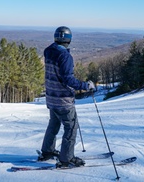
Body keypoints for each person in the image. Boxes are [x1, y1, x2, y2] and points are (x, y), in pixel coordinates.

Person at [39, 26, 95, 168]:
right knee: (71, 128)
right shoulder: (65, 56)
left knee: (53, 125)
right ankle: (66, 159)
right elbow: (68, 79)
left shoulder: (48, 51)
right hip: (63, 100)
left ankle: (47, 151)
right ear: (68, 40)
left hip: (51, 97)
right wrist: (85, 86)